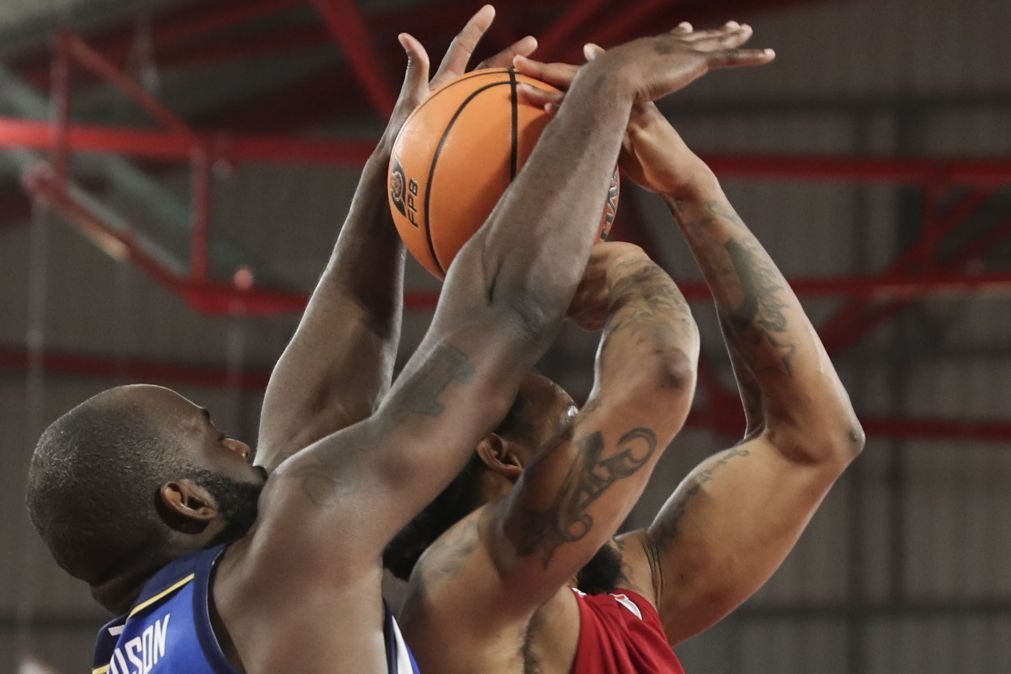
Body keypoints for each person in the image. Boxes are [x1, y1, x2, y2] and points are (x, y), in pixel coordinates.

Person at [25, 9, 774, 674]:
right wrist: (604, 92)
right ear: (184, 501)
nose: (239, 443)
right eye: (212, 436)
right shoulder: (285, 558)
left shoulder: (159, 634)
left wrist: (400, 170)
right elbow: (501, 313)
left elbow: (319, 402)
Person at [385, 23, 865, 674]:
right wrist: (626, 273)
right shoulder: (462, 600)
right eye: (572, 415)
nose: (587, 413)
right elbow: (660, 378)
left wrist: (694, 192)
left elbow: (815, 439)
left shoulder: (615, 594)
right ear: (496, 451)